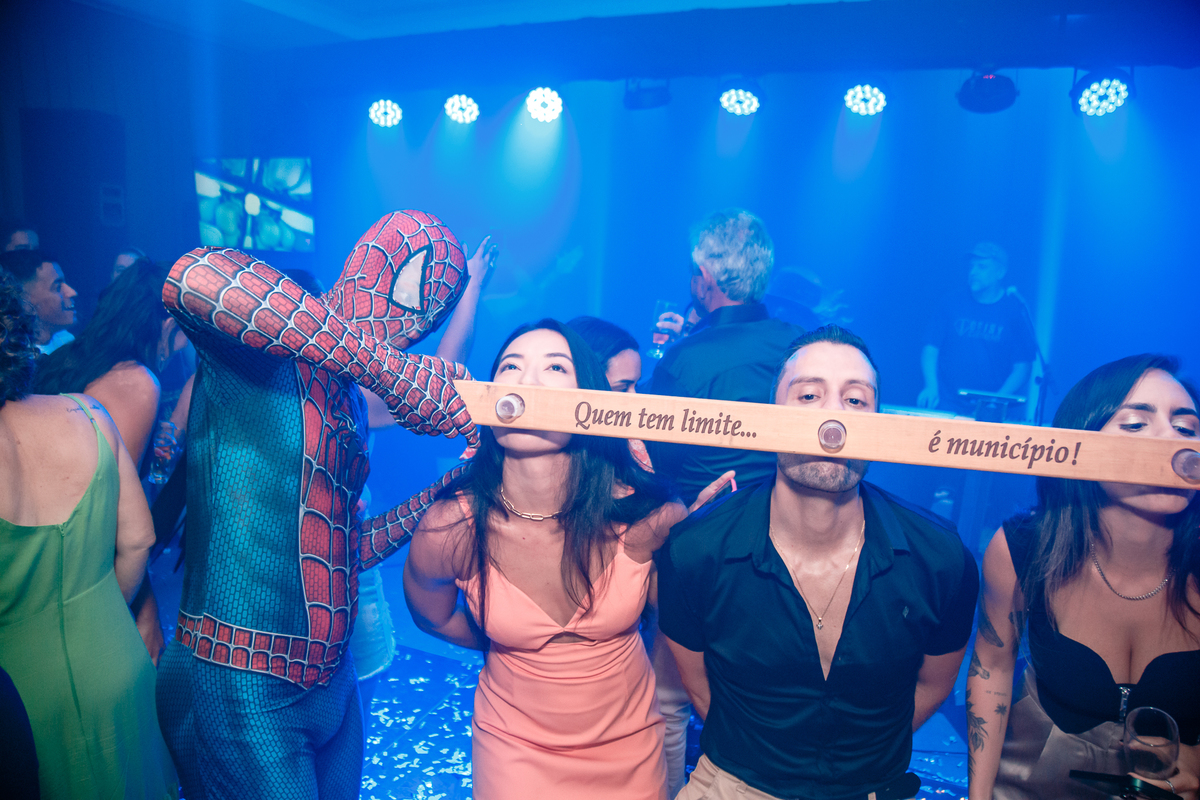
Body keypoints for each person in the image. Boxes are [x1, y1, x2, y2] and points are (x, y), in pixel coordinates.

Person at [155, 210, 479, 800]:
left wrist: (438, 494)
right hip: (243, 675)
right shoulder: (260, 354)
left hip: (332, 676)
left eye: (433, 317)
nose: (416, 327)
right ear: (370, 265)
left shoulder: (348, 397)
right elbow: (191, 276)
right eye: (415, 299)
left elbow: (337, 548)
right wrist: (394, 373)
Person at [657, 324, 979, 800]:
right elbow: (700, 689)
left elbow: (932, 685)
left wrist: (851, 763)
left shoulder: (939, 558)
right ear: (772, 415)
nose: (834, 416)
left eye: (856, 400)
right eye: (809, 395)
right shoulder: (696, 550)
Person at [404, 319, 687, 800]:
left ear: (591, 398)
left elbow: (687, 622)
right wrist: (506, 640)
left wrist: (708, 541)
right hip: (513, 753)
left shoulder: (647, 518)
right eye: (510, 367)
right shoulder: (451, 527)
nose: (527, 381)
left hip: (630, 750)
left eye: (555, 367)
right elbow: (432, 616)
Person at [967, 354, 1200, 800]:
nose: (1170, 441)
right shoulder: (1023, 548)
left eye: (1186, 428)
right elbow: (992, 669)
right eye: (1136, 424)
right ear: (1080, 442)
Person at [0, 271, 177, 798]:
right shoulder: (88, 413)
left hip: (21, 695)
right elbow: (138, 541)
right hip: (116, 659)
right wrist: (96, 608)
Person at [647, 209, 803, 505]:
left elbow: (657, 472)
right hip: (790, 516)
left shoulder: (684, 360)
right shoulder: (802, 344)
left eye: (692, 272)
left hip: (702, 522)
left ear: (704, 278)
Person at [35, 258, 186, 469]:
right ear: (169, 326)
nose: (172, 357)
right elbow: (118, 484)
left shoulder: (66, 356)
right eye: (181, 342)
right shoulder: (137, 381)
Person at [917, 242, 1037, 416]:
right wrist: (931, 387)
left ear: (1000, 272)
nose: (973, 272)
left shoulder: (1015, 311)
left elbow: (1023, 367)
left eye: (982, 267)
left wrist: (996, 400)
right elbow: (930, 349)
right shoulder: (951, 302)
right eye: (971, 266)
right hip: (946, 403)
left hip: (991, 409)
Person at [0, 248, 77, 354]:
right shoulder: (14, 359)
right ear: (24, 301)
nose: (72, 292)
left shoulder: (66, 340)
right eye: (58, 287)